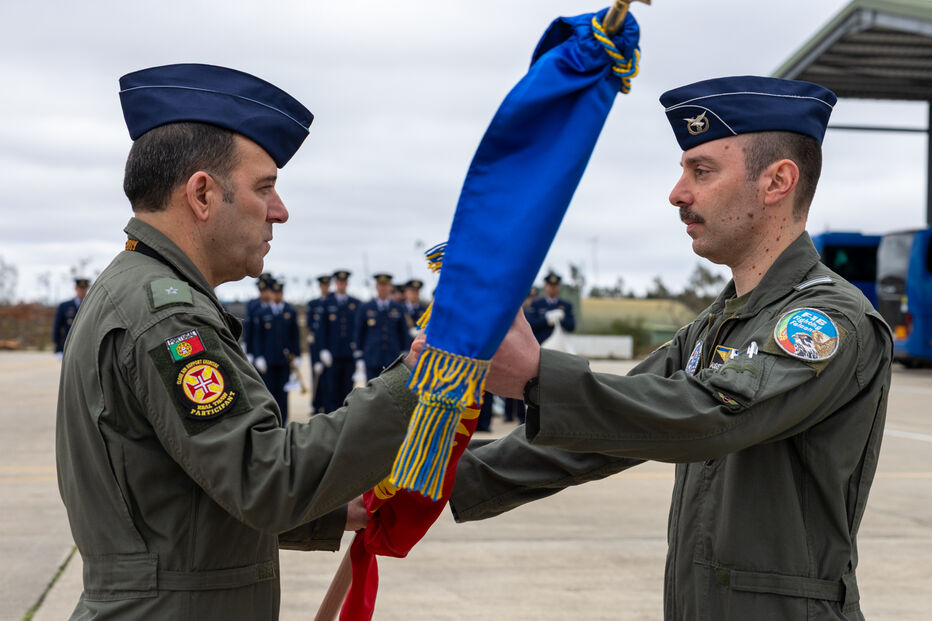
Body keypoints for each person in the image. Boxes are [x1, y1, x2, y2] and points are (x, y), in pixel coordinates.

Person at [53, 63, 525, 620]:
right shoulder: (167, 318)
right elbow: (263, 478)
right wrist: (418, 381)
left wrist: (335, 512)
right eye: (265, 187)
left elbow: (197, 489)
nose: (280, 210)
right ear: (202, 194)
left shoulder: (140, 290)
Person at [450, 76, 893, 620]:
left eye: (701, 171)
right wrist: (426, 482)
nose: (677, 192)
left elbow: (706, 418)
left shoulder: (828, 320)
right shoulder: (716, 323)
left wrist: (537, 376)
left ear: (777, 181)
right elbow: (602, 430)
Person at [253, 280, 301, 424]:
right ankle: (272, 421)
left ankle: (283, 421)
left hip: (284, 360)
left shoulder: (290, 312)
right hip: (268, 360)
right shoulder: (262, 313)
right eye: (275, 293)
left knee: (283, 393)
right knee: (269, 392)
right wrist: (258, 356)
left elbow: (295, 336)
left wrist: (297, 355)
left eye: (279, 293)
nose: (277, 295)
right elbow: (258, 337)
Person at [354, 272, 412, 383]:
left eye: (385, 285)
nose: (383, 288)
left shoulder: (398, 307)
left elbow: (403, 332)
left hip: (392, 357)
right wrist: (359, 356)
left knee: (393, 389)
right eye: (380, 285)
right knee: (372, 390)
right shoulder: (366, 307)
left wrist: (405, 352)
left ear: (390, 287)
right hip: (372, 356)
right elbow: (359, 332)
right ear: (376, 287)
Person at [317, 269, 360, 411]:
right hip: (332, 354)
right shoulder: (327, 302)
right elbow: (322, 329)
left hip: (349, 354)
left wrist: (359, 350)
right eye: (339, 282)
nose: (342, 284)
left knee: (348, 389)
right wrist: (323, 349)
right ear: (336, 283)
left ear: (347, 283)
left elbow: (358, 328)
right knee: (331, 390)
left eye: (344, 282)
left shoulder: (355, 303)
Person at [306, 274, 331, 414]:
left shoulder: (331, 301)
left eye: (327, 285)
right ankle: (316, 404)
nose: (325, 288)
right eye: (323, 285)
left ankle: (327, 404)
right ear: (320, 286)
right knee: (316, 374)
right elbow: (310, 323)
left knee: (328, 377)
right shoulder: (313, 304)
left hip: (328, 344)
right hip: (316, 343)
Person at [526, 271, 575, 343]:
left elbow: (571, 327)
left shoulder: (566, 305)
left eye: (555, 285)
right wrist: (547, 320)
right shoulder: (536, 304)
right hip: (541, 344)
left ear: (559, 287)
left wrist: (561, 319)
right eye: (550, 285)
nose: (553, 288)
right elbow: (531, 324)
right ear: (545, 286)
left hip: (560, 345)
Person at [52, 277, 89, 358]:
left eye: (84, 289)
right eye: (80, 289)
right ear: (76, 289)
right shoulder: (65, 306)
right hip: (68, 345)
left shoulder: (91, 306)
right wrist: (57, 347)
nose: (82, 291)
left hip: (86, 346)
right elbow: (57, 326)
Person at [242, 273, 273, 364]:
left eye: (268, 290)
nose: (266, 293)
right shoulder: (253, 306)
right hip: (258, 349)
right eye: (262, 291)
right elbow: (249, 329)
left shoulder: (277, 306)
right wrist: (249, 351)